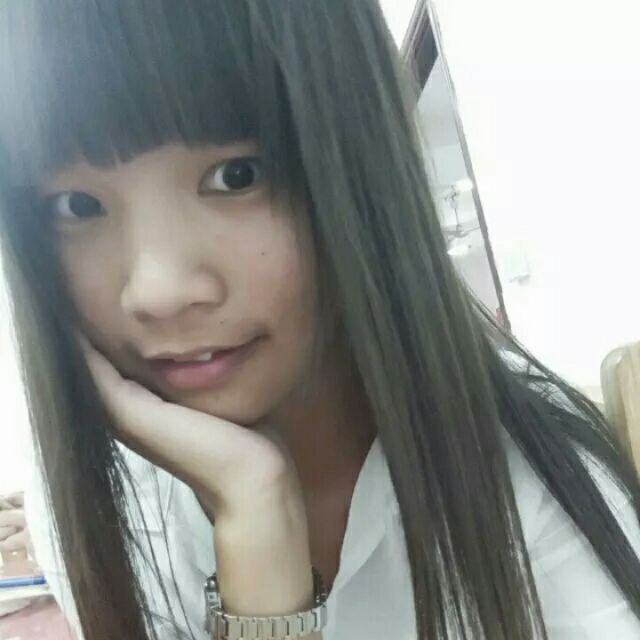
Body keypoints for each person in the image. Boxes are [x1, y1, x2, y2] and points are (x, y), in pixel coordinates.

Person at [0, 2, 639, 639]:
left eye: (236, 176)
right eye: (77, 206)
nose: (157, 291)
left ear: (362, 173)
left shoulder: (534, 478)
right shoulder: (101, 506)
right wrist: (257, 535)